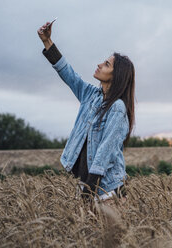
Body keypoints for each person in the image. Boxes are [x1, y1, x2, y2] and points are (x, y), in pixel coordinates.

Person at [37, 21, 135, 203]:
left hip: (106, 187)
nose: (99, 64)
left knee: (109, 232)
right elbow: (69, 75)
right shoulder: (91, 95)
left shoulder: (117, 108)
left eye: (106, 64)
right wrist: (47, 42)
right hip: (86, 183)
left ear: (116, 76)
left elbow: (105, 151)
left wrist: (88, 192)